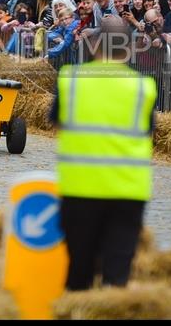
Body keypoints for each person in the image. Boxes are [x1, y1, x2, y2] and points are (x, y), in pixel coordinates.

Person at [50, 16, 157, 291]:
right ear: (130, 49)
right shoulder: (144, 87)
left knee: (79, 272)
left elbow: (57, 123)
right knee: (117, 273)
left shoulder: (71, 79)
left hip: (80, 188)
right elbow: (148, 132)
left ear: (96, 45)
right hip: (127, 191)